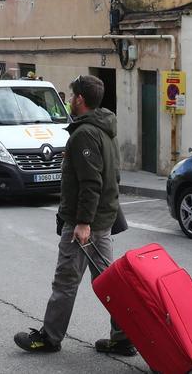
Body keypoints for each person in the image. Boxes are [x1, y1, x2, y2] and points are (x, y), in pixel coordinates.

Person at [14, 75, 134, 357]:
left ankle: (50, 337)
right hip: (102, 221)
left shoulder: (84, 134)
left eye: (71, 95)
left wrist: (82, 223)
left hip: (86, 225)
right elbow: (113, 176)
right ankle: (123, 337)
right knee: (110, 283)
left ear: (80, 99)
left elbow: (91, 183)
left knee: (65, 281)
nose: (69, 100)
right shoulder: (105, 129)